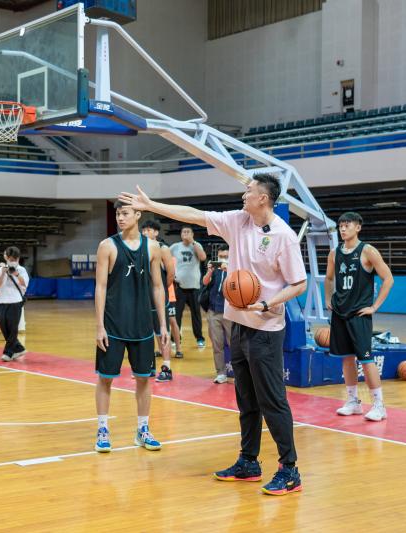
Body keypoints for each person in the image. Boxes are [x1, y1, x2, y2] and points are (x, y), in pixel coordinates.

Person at [120, 174, 307, 496]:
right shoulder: (237, 221)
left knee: (272, 401)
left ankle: (289, 469)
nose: (243, 195)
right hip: (239, 326)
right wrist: (152, 205)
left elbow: (299, 283)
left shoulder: (283, 236)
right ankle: (249, 461)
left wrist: (268, 302)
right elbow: (193, 214)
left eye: (249, 192)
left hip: (265, 329)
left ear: (263, 198)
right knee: (246, 401)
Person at [94, 201, 167, 453]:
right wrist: (99, 325)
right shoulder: (107, 246)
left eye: (125, 213)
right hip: (113, 324)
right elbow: (100, 287)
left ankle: (143, 430)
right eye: (117, 214)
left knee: (144, 379)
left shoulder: (153, 247)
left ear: (138, 215)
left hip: (143, 325)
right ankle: (103, 428)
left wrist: (163, 325)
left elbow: (158, 287)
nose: (120, 218)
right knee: (105, 379)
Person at [325, 212, 394, 422]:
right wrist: (329, 299)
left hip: (359, 314)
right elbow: (328, 279)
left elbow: (388, 278)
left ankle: (379, 405)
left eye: (347, 225)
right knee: (346, 358)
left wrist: (374, 306)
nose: (343, 229)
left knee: (366, 359)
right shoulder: (334, 253)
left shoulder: (368, 251)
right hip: (340, 313)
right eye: (340, 226)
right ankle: (354, 402)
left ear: (358, 227)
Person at [140, 219, 178, 382]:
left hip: (158, 297)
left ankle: (167, 368)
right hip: (144, 298)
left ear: (156, 232)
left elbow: (170, 274)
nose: (145, 232)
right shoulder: (141, 248)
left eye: (149, 230)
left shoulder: (163, 249)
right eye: (144, 230)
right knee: (147, 333)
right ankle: (150, 366)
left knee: (162, 331)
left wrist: (161, 290)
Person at [170, 226, 207, 347]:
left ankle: (199, 338)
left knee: (196, 315)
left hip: (194, 287)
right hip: (179, 286)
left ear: (192, 234)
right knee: (177, 314)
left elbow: (203, 258)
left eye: (188, 232)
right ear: (180, 234)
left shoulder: (196, 245)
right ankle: (175, 338)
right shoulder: (175, 247)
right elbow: (165, 258)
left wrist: (193, 242)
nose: (185, 234)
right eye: (183, 232)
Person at [0, 247, 29, 361]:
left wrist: (17, 274)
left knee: (13, 328)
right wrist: (3, 273)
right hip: (2, 301)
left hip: (15, 302)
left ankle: (8, 353)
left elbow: (25, 284)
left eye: (14, 259)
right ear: (6, 258)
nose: (11, 261)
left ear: (17, 259)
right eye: (9, 258)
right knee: (4, 328)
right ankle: (19, 348)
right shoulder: (1, 270)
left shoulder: (21, 270)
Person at [202, 244, 232, 384]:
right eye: (221, 257)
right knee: (217, 345)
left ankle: (240, 373)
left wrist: (229, 270)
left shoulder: (236, 270)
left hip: (231, 313)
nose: (223, 259)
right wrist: (209, 271)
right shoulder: (214, 270)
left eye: (226, 257)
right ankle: (221, 373)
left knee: (235, 345)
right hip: (214, 311)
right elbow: (205, 282)